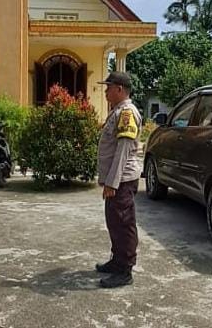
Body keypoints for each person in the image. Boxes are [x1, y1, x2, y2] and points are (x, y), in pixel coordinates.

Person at [96, 71, 142, 288]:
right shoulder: (117, 111)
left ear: (119, 89)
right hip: (117, 179)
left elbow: (123, 150)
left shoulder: (126, 113)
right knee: (114, 221)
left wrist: (112, 183)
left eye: (108, 87)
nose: (105, 91)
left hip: (122, 180)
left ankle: (125, 270)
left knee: (123, 223)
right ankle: (117, 260)